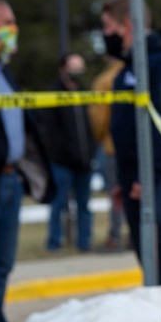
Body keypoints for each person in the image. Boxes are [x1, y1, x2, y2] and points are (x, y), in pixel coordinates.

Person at [101, 0, 161, 288]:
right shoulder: (127, 70)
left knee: (159, 226)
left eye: (107, 27)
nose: (104, 36)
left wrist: (149, 174)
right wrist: (126, 177)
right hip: (135, 175)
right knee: (145, 244)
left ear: (126, 26)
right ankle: (156, 309)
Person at [0, 0, 52, 322]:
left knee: (0, 265)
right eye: (7, 23)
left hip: (8, 179)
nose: (13, 30)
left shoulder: (2, 72)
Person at [40, 53, 96, 252]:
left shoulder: (84, 92)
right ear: (62, 69)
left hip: (85, 161)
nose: (78, 72)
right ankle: (54, 243)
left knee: (84, 205)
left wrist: (90, 151)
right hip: (62, 162)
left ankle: (84, 243)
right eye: (74, 67)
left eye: (80, 67)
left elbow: (90, 127)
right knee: (59, 204)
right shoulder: (53, 93)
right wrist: (63, 153)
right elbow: (50, 131)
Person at [88, 56, 127, 252]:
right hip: (137, 146)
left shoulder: (104, 80)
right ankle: (136, 235)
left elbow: (98, 118)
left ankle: (115, 235)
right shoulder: (138, 74)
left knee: (115, 193)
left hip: (112, 147)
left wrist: (103, 138)